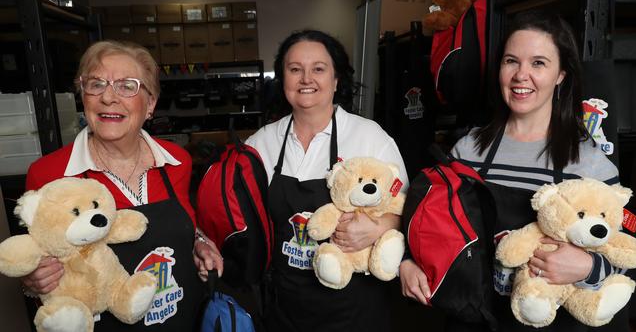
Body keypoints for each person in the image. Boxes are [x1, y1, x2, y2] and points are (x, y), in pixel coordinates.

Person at [399, 11, 628, 331]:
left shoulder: (589, 164)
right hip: (473, 322)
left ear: (561, 74)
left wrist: (587, 267)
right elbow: (427, 227)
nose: (521, 75)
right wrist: (408, 262)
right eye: (511, 61)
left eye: (538, 63)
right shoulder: (468, 150)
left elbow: (625, 263)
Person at [21, 40, 222, 331]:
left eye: (127, 86)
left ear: (150, 103)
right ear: (83, 96)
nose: (108, 98)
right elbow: (36, 264)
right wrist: (32, 280)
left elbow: (186, 222)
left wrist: (200, 241)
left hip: (183, 318)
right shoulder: (50, 175)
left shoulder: (176, 161)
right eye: (97, 84)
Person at [243, 29, 409, 331]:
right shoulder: (261, 143)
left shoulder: (370, 137)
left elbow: (410, 210)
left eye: (318, 69)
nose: (306, 79)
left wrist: (381, 225)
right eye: (295, 70)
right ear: (284, 80)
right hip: (285, 307)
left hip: (355, 310)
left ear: (336, 80)